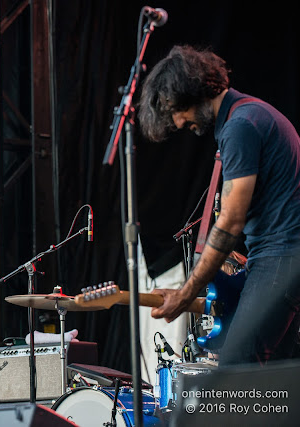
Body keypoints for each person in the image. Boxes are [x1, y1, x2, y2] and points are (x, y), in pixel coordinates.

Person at [138, 45, 300, 365]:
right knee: (274, 381)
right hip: (279, 259)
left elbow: (229, 223)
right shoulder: (247, 116)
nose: (180, 124)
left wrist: (185, 295)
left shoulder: (241, 125)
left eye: (175, 113)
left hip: (280, 258)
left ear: (185, 92)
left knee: (234, 371)